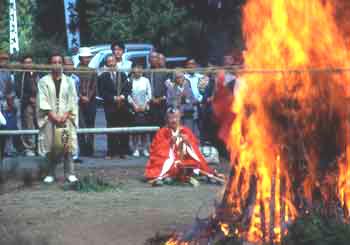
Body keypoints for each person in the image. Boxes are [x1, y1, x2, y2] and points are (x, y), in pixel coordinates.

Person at [145, 107, 221, 185]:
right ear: (167, 119)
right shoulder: (162, 132)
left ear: (179, 118)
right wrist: (170, 143)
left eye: (176, 117)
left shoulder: (186, 131)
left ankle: (177, 175)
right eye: (171, 118)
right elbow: (156, 150)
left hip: (184, 159)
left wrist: (188, 142)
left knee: (194, 164)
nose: (174, 120)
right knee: (167, 164)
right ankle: (166, 176)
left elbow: (195, 148)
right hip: (169, 159)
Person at [37, 52, 78, 184]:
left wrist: (65, 115)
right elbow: (41, 100)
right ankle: (50, 173)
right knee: (50, 146)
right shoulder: (43, 81)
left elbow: (73, 99)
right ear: (50, 64)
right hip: (50, 118)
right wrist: (52, 115)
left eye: (59, 62)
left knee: (67, 145)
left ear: (62, 64)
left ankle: (70, 173)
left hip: (66, 117)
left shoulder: (69, 81)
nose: (57, 65)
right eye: (54, 62)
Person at [98, 54, 132, 159]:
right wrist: (113, 98)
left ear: (116, 63)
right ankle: (111, 152)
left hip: (122, 105)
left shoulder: (122, 74)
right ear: (107, 64)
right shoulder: (103, 76)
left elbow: (128, 88)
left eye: (113, 61)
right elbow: (102, 92)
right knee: (111, 129)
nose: (111, 63)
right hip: (110, 106)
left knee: (123, 128)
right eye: (109, 62)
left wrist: (122, 96)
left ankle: (123, 152)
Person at [76, 47, 97, 157]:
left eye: (89, 57)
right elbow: (74, 86)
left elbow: (94, 86)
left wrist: (88, 96)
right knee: (80, 124)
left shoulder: (93, 71)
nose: (87, 59)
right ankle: (82, 148)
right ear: (80, 58)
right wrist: (80, 96)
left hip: (91, 101)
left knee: (91, 124)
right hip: (78, 101)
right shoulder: (75, 71)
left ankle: (90, 148)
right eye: (85, 57)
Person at [128, 63, 152, 157]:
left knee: (144, 131)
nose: (138, 71)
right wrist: (134, 105)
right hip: (134, 108)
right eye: (136, 69)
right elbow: (128, 95)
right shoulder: (130, 80)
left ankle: (145, 148)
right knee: (135, 130)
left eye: (139, 69)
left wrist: (145, 104)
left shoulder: (146, 80)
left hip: (144, 107)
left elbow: (149, 94)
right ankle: (136, 148)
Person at [18, 55, 40, 156]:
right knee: (28, 126)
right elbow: (19, 91)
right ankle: (29, 148)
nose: (28, 64)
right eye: (26, 62)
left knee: (40, 125)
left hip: (39, 104)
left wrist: (38, 99)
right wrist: (29, 99)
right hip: (27, 105)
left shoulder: (37, 73)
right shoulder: (20, 76)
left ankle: (40, 147)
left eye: (30, 62)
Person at [63, 57, 81, 164]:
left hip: (74, 108)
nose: (69, 67)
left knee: (74, 131)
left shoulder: (76, 79)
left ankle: (75, 154)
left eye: (71, 64)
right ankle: (64, 154)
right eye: (67, 64)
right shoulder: (61, 78)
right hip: (63, 108)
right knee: (64, 132)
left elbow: (77, 93)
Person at [144, 51, 168, 127]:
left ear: (159, 59)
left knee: (162, 126)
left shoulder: (165, 72)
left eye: (155, 57)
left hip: (162, 103)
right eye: (151, 57)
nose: (153, 59)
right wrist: (151, 98)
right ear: (148, 60)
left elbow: (168, 88)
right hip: (149, 103)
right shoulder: (145, 72)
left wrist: (160, 98)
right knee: (151, 128)